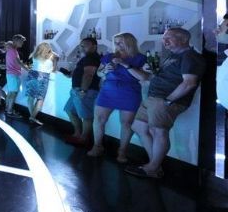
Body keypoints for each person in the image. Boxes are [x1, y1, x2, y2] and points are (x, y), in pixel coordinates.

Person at [127, 28, 205, 178]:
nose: (165, 41)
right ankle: (155, 165)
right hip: (153, 98)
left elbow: (189, 83)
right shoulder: (173, 56)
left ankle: (152, 168)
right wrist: (152, 72)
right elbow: (163, 76)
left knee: (159, 131)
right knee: (138, 126)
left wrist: (168, 101)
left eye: (169, 38)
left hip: (164, 100)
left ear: (183, 39)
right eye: (164, 38)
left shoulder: (190, 56)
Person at [87, 33, 146, 161]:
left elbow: (143, 77)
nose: (117, 45)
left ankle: (122, 151)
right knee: (99, 119)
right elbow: (99, 73)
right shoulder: (109, 56)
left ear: (130, 43)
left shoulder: (140, 58)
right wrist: (104, 71)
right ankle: (97, 146)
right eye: (116, 42)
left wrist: (125, 64)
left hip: (129, 92)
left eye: (120, 42)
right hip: (108, 91)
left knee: (127, 123)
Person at [63, 38, 101, 146]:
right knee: (69, 110)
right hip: (77, 90)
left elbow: (89, 74)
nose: (82, 47)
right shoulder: (87, 58)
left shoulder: (92, 57)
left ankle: (84, 138)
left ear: (94, 46)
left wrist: (83, 90)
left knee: (86, 116)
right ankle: (77, 134)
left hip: (85, 91)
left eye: (85, 45)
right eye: (81, 45)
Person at [23, 42, 58, 125]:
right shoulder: (52, 56)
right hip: (43, 77)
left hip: (32, 75)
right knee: (40, 99)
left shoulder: (34, 55)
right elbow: (54, 69)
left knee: (30, 98)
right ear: (49, 48)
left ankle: (32, 117)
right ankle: (32, 117)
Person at [4, 34, 28, 117]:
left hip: (11, 74)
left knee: (11, 93)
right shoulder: (13, 51)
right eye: (21, 41)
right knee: (13, 93)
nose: (22, 43)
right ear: (16, 41)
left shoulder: (11, 50)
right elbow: (19, 62)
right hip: (13, 74)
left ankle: (7, 109)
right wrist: (28, 69)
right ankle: (9, 111)